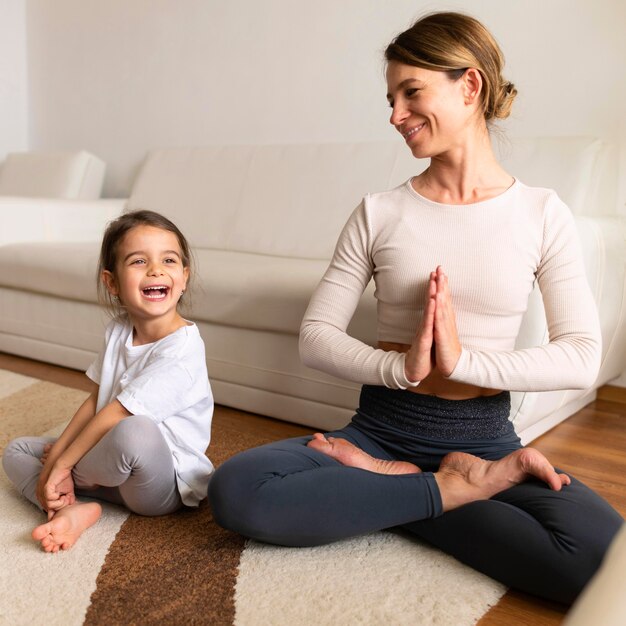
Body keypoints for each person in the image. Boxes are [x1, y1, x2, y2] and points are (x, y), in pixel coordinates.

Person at [209, 12, 624, 604]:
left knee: (607, 567)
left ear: (470, 86)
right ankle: (445, 490)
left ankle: (392, 495)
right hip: (379, 432)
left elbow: (582, 358)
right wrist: (401, 369)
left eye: (412, 92)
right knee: (238, 490)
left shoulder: (541, 213)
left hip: (484, 441)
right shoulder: (379, 212)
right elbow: (316, 335)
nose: (394, 115)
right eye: (391, 97)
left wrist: (462, 363)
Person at [3, 210, 214, 552]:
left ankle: (66, 482)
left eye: (169, 260)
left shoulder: (182, 350)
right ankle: (71, 508)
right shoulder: (118, 330)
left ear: (184, 276)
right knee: (17, 451)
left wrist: (62, 464)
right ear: (112, 283)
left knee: (136, 431)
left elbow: (117, 413)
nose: (156, 270)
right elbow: (97, 399)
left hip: (159, 484)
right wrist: (58, 455)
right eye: (139, 261)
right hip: (108, 472)